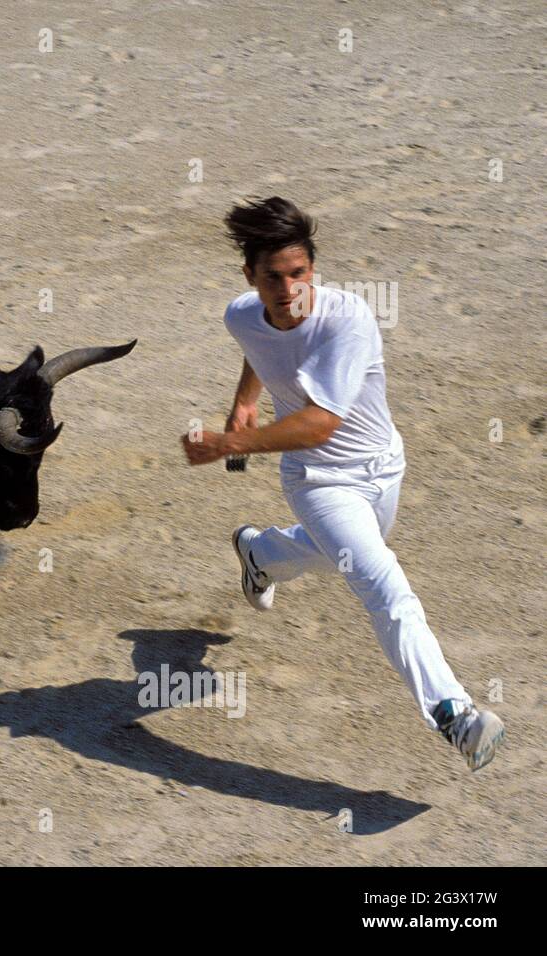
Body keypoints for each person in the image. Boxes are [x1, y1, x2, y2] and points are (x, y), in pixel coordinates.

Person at [180, 196, 504, 771]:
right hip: (318, 481)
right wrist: (244, 403)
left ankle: (260, 551)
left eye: (299, 274)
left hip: (383, 466)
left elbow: (319, 422)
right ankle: (455, 714)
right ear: (249, 276)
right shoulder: (240, 313)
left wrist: (229, 443)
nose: (288, 290)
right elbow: (260, 346)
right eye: (273, 278)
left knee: (345, 558)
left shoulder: (347, 318)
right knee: (385, 587)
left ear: (313, 270)